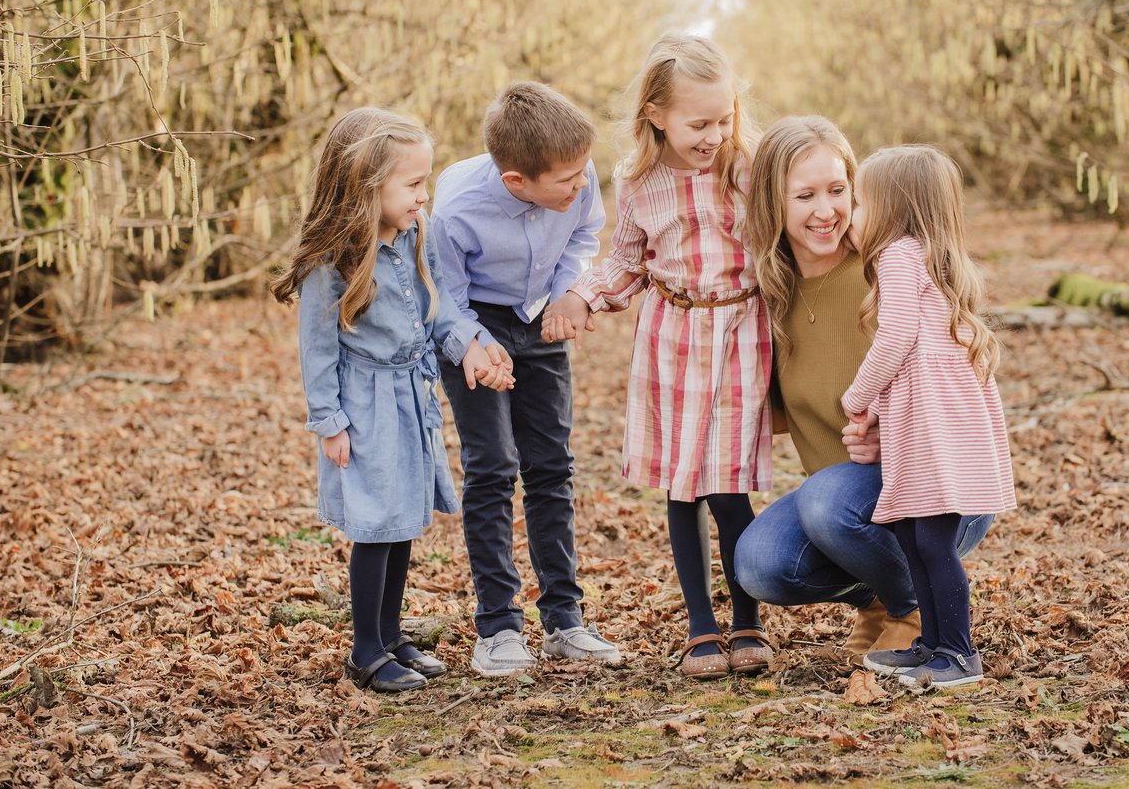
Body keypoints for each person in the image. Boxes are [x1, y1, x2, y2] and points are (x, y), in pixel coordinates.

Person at [543, 34, 773, 680]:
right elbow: (626, 261)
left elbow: (780, 247)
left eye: (723, 118)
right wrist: (583, 297)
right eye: (699, 122)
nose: (713, 134)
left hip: (737, 335)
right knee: (683, 482)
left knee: (728, 484)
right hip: (673, 337)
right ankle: (701, 624)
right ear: (656, 114)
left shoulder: (750, 167)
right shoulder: (641, 181)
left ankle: (748, 615)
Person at [271, 108, 514, 694]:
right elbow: (317, 349)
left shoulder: (414, 237)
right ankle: (364, 650)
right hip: (366, 407)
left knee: (403, 520)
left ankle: (389, 634)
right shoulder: (331, 263)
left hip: (413, 397)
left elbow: (441, 310)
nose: (423, 197)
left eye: (425, 182)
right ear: (365, 184)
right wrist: (330, 422)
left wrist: (471, 348)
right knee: (376, 526)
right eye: (412, 184)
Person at [734, 117, 995, 661]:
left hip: (937, 482)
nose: (826, 210)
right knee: (761, 563)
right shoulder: (767, 295)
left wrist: (890, 427)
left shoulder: (890, 268)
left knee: (826, 499)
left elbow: (961, 376)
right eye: (804, 195)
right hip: (855, 503)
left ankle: (911, 608)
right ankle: (882, 599)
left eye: (838, 190)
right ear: (772, 204)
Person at [432, 81, 621, 677]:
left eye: (583, 171)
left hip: (540, 314)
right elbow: (445, 301)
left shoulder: (579, 178)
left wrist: (571, 293)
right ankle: (497, 627)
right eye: (566, 179)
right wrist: (477, 347)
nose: (581, 184)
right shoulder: (456, 209)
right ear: (517, 181)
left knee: (552, 466)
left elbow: (586, 236)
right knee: (492, 468)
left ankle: (564, 619)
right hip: (475, 323)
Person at [847, 145, 1016, 689]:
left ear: (890, 207)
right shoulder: (935, 264)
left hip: (933, 436)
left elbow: (896, 337)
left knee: (933, 543)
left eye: (858, 201)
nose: (853, 213)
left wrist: (858, 398)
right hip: (934, 430)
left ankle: (959, 653)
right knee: (918, 537)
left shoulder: (897, 255)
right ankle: (931, 644)